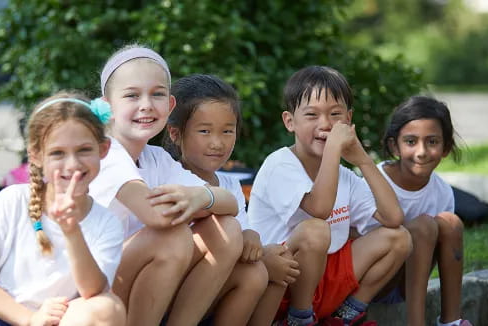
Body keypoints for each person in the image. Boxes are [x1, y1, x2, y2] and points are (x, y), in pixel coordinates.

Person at [89, 45, 243, 326]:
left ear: (170, 106)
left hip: (130, 281)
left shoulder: (157, 158)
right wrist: (197, 203)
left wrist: (200, 196)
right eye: (132, 95)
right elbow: (156, 216)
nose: (146, 104)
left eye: (157, 94)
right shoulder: (104, 154)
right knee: (171, 237)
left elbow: (229, 202)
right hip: (90, 291)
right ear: (106, 106)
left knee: (227, 229)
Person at [247, 65, 412, 326]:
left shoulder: (343, 175)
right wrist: (335, 147)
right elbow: (320, 208)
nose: (325, 124)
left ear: (348, 119)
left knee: (399, 238)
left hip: (326, 280)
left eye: (335, 115)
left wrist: (362, 160)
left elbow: (393, 217)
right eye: (312, 115)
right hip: (281, 282)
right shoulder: (280, 164)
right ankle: (299, 319)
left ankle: (345, 313)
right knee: (315, 229)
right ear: (290, 121)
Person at [0, 92, 126, 326]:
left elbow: (92, 291)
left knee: (108, 307)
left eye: (84, 150)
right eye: (58, 153)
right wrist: (29, 319)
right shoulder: (12, 201)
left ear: (104, 149)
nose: (72, 164)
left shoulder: (106, 222)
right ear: (36, 156)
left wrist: (71, 231)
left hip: (55, 321)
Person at [164, 74, 299, 326]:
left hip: (212, 293)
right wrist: (256, 251)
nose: (217, 143)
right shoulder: (168, 178)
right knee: (258, 266)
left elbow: (245, 235)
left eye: (227, 131)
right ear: (175, 133)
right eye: (204, 131)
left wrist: (253, 239)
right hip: (170, 293)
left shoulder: (230, 184)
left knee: (260, 271)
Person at [364, 96, 472, 326]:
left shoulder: (441, 191)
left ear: (446, 147)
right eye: (411, 141)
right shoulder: (372, 181)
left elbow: (444, 244)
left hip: (407, 283)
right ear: (395, 146)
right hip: (369, 283)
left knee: (451, 223)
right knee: (423, 226)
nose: (422, 152)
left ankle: (452, 321)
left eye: (432, 142)